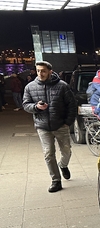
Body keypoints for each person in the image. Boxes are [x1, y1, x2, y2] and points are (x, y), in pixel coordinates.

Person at [23, 61, 77, 193]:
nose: (40, 73)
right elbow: (25, 104)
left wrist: (67, 122)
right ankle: (55, 180)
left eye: (43, 71)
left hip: (60, 125)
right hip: (42, 126)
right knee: (48, 154)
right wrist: (36, 107)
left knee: (67, 151)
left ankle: (63, 165)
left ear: (50, 72)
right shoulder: (30, 87)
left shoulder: (62, 86)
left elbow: (72, 105)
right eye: (38, 71)